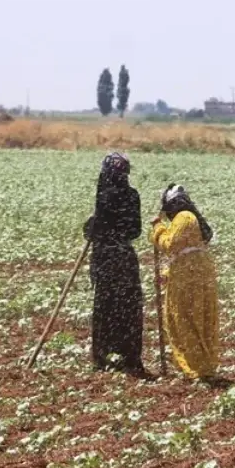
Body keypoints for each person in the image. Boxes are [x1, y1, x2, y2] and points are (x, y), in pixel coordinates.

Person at [83, 152, 147, 376]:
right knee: (128, 306)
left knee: (106, 306)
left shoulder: (104, 194)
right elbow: (135, 230)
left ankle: (102, 356)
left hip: (107, 258)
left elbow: (101, 228)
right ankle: (130, 356)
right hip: (125, 258)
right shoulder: (132, 195)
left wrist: (91, 228)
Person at [150, 184, 220, 380]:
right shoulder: (192, 218)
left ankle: (197, 368)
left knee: (183, 318)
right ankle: (204, 365)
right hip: (198, 271)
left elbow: (170, 244)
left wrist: (157, 228)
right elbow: (185, 250)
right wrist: (167, 272)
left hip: (188, 275)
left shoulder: (184, 218)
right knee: (201, 316)